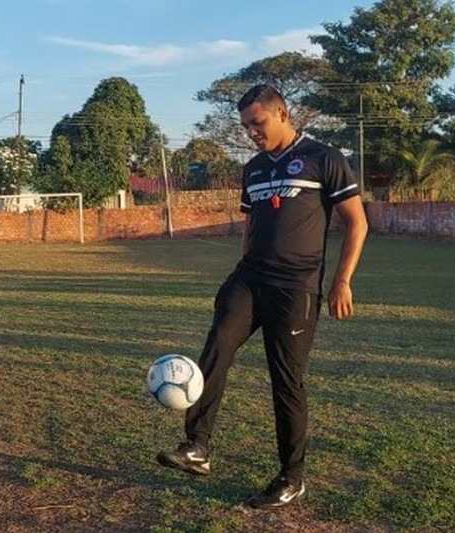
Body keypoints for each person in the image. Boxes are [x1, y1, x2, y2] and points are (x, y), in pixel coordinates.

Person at [156, 84, 368, 509]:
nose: (251, 132)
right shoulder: (252, 169)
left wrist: (342, 281)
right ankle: (197, 447)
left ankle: (291, 477)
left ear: (282, 114)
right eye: (246, 126)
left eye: (258, 123)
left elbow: (356, 223)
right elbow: (251, 225)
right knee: (216, 347)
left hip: (296, 288)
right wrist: (243, 267)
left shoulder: (324, 159)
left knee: (286, 382)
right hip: (249, 280)